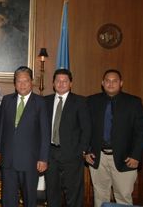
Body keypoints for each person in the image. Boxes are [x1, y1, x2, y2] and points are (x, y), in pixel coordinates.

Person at [85, 69, 143, 206]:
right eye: (107, 80)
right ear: (102, 83)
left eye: (115, 81)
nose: (111, 84)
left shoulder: (134, 102)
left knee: (123, 197)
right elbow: (85, 129)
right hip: (98, 158)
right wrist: (87, 150)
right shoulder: (91, 101)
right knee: (100, 196)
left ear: (121, 83)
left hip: (126, 158)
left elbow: (141, 131)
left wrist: (136, 155)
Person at [0, 66, 50, 207]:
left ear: (31, 82)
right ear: (14, 83)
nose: (22, 84)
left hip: (30, 161)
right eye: (19, 81)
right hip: (8, 160)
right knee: (7, 199)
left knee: (29, 199)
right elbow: (0, 128)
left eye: (26, 81)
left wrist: (43, 158)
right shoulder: (7, 100)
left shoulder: (40, 102)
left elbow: (45, 132)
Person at [44, 68, 91, 207]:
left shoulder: (80, 102)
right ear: (53, 83)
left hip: (72, 155)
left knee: (73, 195)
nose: (61, 83)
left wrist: (82, 150)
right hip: (50, 154)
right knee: (52, 194)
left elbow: (86, 128)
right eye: (58, 80)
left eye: (65, 81)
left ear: (70, 84)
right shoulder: (45, 101)